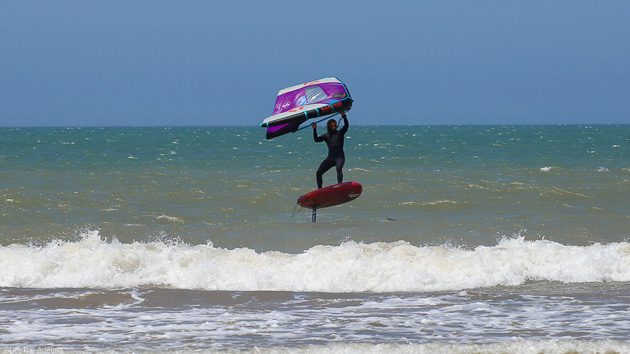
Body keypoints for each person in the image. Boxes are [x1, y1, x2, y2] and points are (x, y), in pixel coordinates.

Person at [311, 112, 349, 189]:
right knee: (318, 173)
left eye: (335, 125)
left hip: (339, 157)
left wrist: (344, 116)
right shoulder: (326, 136)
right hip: (330, 158)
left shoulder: (340, 133)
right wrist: (314, 129)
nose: (334, 126)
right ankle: (320, 190)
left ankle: (339, 186)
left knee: (338, 169)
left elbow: (346, 126)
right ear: (329, 126)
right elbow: (316, 139)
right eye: (332, 126)